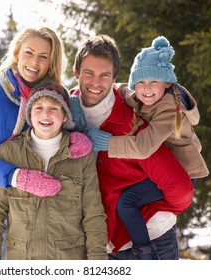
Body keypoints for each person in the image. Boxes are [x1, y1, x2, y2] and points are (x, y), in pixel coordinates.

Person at [70, 34, 194, 260]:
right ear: (76, 72)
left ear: (114, 77)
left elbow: (181, 190)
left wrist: (155, 211)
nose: (96, 82)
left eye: (104, 75)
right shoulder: (62, 113)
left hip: (150, 237)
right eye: (88, 73)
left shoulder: (132, 123)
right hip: (98, 243)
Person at [0, 27, 70, 260]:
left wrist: (75, 140)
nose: (34, 62)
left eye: (44, 56)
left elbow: (64, 128)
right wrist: (17, 177)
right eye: (29, 53)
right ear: (17, 53)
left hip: (30, 214)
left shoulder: (54, 97)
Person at [0, 81, 107, 260]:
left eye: (54, 108)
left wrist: (98, 258)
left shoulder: (82, 157)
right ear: (29, 115)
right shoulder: (8, 152)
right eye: (38, 107)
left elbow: (93, 212)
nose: (46, 114)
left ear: (65, 116)